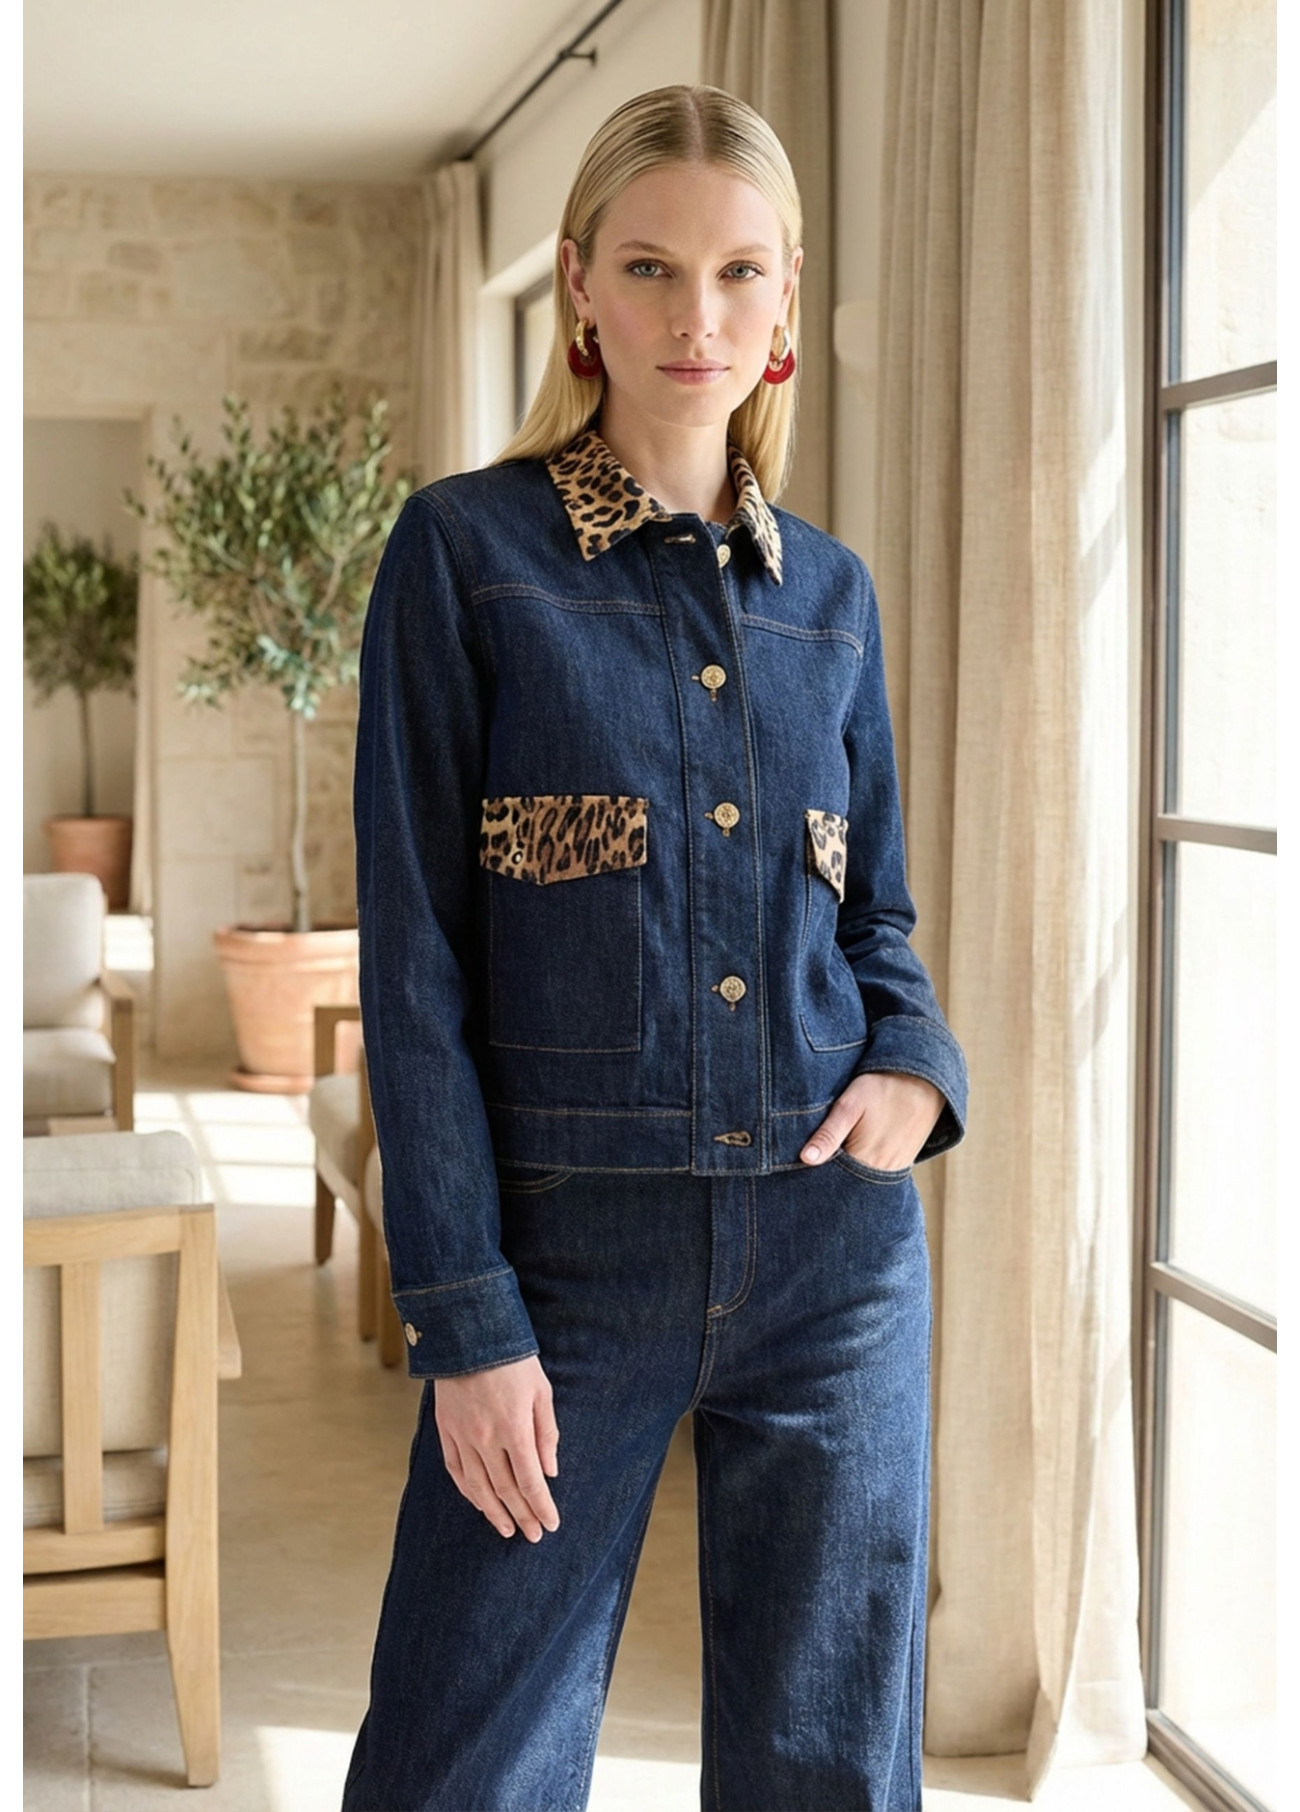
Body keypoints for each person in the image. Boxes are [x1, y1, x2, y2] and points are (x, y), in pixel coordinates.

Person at [341, 82, 968, 1812]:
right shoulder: (465, 557)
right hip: (567, 1265)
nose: (700, 316)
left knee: (831, 1773)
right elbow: (415, 970)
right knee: (459, 1766)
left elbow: (879, 919)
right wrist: (464, 1319)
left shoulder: (831, 596)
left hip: (834, 1258)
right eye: (652, 267)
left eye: (741, 272)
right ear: (579, 287)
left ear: (785, 301)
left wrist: (917, 1070)